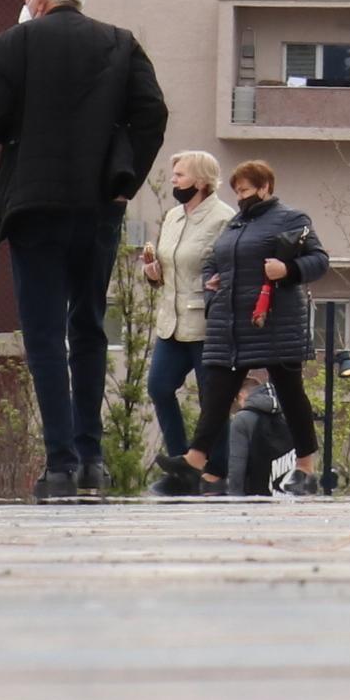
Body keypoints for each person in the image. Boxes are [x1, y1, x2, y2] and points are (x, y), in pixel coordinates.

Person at [0, 0, 169, 501]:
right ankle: (93, 459)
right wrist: (125, 178)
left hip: (35, 207)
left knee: (43, 333)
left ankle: (59, 462)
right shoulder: (120, 42)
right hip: (98, 205)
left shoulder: (16, 42)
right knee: (89, 326)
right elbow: (152, 112)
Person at [186, 157, 331, 497]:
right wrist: (213, 285)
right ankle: (193, 462)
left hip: (276, 323)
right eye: (237, 191)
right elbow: (212, 261)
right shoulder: (235, 224)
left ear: (265, 187)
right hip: (234, 324)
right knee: (218, 396)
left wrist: (288, 269)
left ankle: (306, 466)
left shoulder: (292, 219)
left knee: (291, 394)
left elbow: (319, 260)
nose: (241, 197)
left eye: (246, 189)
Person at [135, 148, 230, 498]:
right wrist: (153, 273)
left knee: (212, 401)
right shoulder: (174, 216)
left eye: (180, 175)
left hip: (206, 324)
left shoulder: (223, 218)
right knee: (159, 387)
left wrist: (223, 281)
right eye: (173, 175)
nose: (173, 181)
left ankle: (216, 473)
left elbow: (231, 265)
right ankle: (182, 467)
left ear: (202, 181)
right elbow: (169, 266)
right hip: (170, 322)